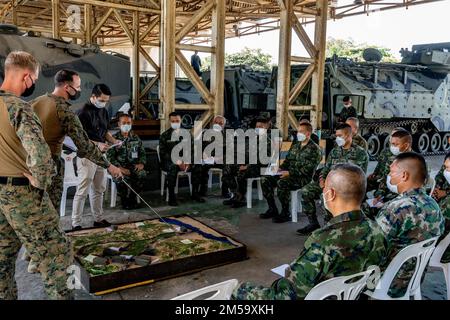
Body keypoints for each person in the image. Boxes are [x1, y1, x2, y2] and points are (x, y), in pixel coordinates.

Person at [233, 164, 387, 300]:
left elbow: (285, 296)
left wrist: (238, 290)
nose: (322, 192)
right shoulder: (377, 229)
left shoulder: (323, 241)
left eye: (324, 188)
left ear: (331, 194)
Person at [0, 51, 73, 299]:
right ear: (27, 77)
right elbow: (41, 157)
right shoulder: (20, 107)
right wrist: (41, 181)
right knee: (57, 256)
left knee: (2, 260)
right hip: (21, 193)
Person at [31, 70, 122, 210]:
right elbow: (84, 145)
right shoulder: (65, 111)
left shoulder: (37, 102)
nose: (79, 90)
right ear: (67, 87)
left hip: (29, 166)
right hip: (50, 169)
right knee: (48, 214)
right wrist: (109, 166)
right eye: (78, 87)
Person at [375, 152, 444, 298]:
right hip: (416, 278)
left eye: (392, 172)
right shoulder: (434, 205)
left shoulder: (395, 208)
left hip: (387, 283)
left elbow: (373, 249)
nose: (389, 176)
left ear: (404, 176)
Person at [296, 123, 368, 236]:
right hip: (329, 183)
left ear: (349, 135)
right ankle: (313, 223)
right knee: (306, 191)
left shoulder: (360, 153)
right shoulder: (335, 151)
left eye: (340, 136)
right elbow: (326, 168)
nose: (337, 138)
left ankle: (329, 228)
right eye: (336, 136)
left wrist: (333, 186)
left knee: (325, 197)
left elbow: (358, 176)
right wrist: (322, 179)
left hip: (346, 188)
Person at [71, 84, 120, 230]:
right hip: (86, 155)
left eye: (106, 100)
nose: (103, 103)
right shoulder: (82, 113)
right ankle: (76, 222)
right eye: (101, 99)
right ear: (93, 96)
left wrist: (113, 141)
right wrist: (97, 144)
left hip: (101, 155)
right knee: (83, 189)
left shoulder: (104, 111)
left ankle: (98, 219)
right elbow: (79, 138)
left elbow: (104, 132)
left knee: (99, 189)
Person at [260, 122, 321, 223]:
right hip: (288, 173)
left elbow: (308, 170)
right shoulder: (296, 146)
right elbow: (288, 161)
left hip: (303, 178)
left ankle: (285, 212)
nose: (298, 134)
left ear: (308, 134)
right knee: (265, 179)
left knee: (282, 183)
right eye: (298, 131)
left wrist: (289, 173)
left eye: (301, 132)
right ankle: (272, 208)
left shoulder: (315, 149)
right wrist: (280, 169)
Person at [159, 112, 205, 206]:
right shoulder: (165, 135)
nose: (175, 122)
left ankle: (195, 193)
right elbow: (163, 153)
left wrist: (188, 161)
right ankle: (171, 196)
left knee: (198, 165)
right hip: (170, 161)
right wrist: (178, 161)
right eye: (173, 121)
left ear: (180, 121)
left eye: (177, 121)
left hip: (185, 160)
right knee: (172, 167)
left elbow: (192, 150)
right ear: (170, 121)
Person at [225, 117, 272, 208]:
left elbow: (264, 159)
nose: (258, 128)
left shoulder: (268, 141)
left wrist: (248, 166)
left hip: (261, 167)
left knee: (242, 172)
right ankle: (235, 194)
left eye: (261, 126)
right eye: (257, 126)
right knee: (228, 167)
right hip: (249, 164)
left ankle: (241, 198)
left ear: (266, 128)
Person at [107, 113, 147, 210]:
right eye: (124, 123)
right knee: (119, 177)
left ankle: (132, 198)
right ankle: (124, 200)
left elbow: (142, 153)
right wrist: (120, 168)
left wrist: (141, 163)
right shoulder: (113, 139)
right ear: (119, 124)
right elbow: (109, 158)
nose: (126, 125)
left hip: (133, 166)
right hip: (118, 167)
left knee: (142, 174)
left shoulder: (136, 138)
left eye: (128, 123)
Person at [368, 129, 412, 207]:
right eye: (392, 144)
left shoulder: (416, 163)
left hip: (403, 198)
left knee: (367, 208)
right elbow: (385, 178)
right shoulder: (394, 158)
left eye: (396, 144)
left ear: (406, 146)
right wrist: (380, 195)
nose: (392, 147)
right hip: (387, 193)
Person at [431, 152, 450, 263]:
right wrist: (437, 191)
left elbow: (435, 229)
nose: (446, 172)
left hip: (443, 250)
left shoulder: (448, 204)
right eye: (446, 168)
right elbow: (439, 177)